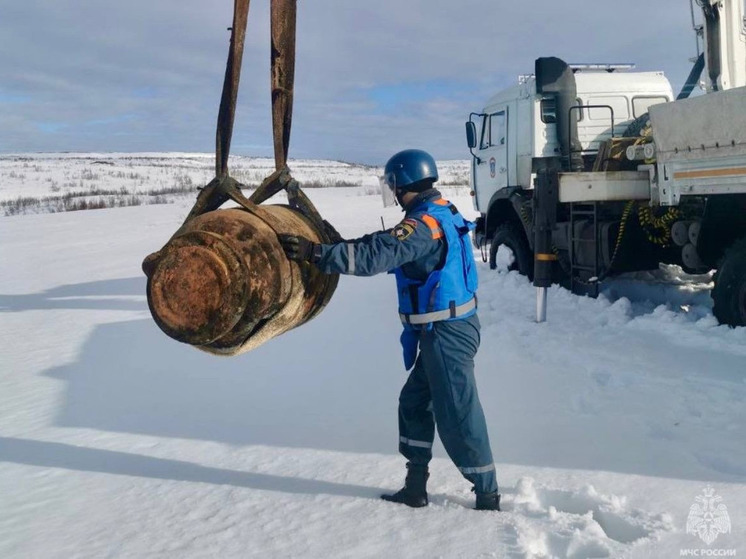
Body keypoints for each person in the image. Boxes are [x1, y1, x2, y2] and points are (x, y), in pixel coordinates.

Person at [278, 149, 500, 511]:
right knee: (413, 403)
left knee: (459, 414)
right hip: (442, 330)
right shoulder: (438, 211)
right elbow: (382, 242)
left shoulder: (420, 227)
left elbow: (376, 256)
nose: (392, 192)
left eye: (393, 185)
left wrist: (317, 255)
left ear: (403, 183)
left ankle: (488, 494)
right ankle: (416, 487)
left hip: (447, 334)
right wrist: (333, 244)